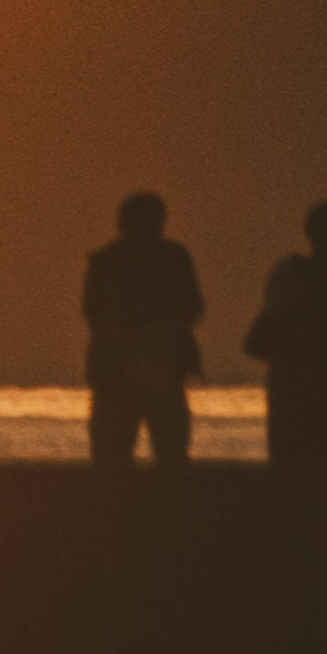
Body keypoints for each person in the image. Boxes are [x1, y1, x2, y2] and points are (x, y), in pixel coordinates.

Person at [246, 198, 327, 461]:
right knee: (321, 457)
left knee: (297, 458)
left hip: (306, 376)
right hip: (311, 375)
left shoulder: (291, 273)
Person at [82, 186, 206, 464]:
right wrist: (154, 335)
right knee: (161, 456)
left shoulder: (106, 261)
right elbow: (193, 308)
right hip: (141, 369)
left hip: (135, 368)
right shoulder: (172, 258)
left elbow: (94, 316)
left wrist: (141, 336)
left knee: (116, 458)